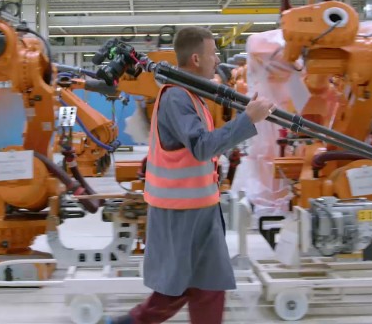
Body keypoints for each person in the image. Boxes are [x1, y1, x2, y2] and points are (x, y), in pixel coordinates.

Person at [105, 26, 275, 324]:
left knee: (208, 286)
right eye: (213, 54)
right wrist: (248, 120)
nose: (217, 59)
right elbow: (200, 147)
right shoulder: (177, 98)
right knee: (177, 288)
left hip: (200, 208)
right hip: (180, 212)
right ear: (196, 58)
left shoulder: (192, 96)